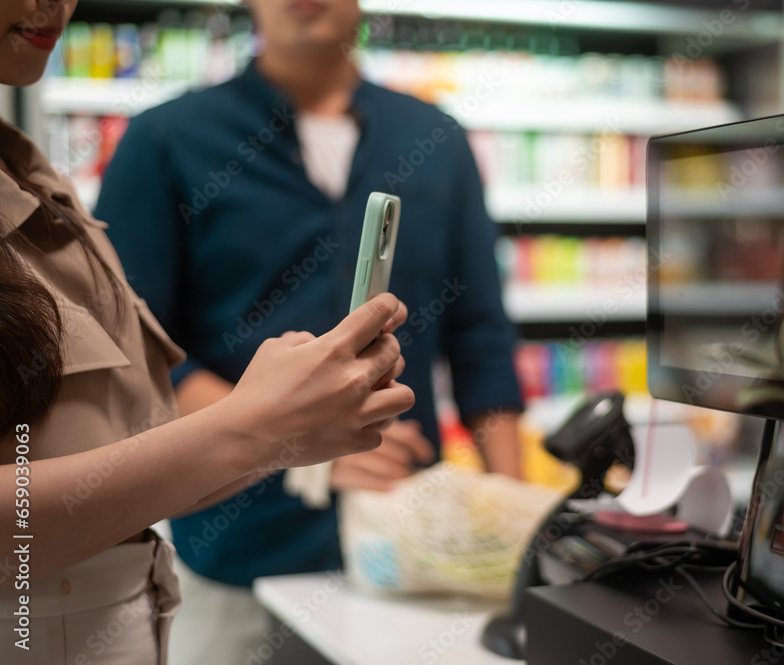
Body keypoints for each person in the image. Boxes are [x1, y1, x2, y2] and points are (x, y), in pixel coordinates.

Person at [94, 0, 524, 660]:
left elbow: (482, 338)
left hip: (411, 549)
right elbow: (136, 354)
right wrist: (301, 442)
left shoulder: (435, 138)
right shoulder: (165, 139)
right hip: (238, 557)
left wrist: (512, 528)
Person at [0, 1, 416, 663]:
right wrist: (258, 431)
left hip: (388, 541)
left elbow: (137, 430)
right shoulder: (166, 138)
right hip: (223, 565)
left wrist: (274, 435)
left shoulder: (37, 182)